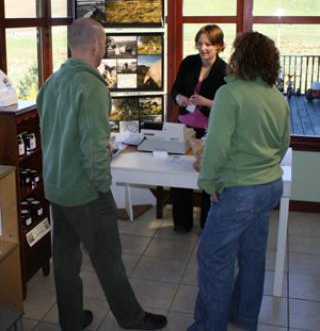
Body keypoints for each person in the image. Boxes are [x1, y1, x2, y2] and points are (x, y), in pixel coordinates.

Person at [37, 18, 167, 331]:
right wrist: (101, 188)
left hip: (56, 188)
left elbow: (52, 136)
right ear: (96, 46)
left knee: (66, 263)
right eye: (104, 43)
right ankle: (132, 319)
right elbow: (94, 148)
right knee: (108, 259)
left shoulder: (50, 83)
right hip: (85, 191)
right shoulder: (92, 87)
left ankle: (71, 321)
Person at [187, 31, 290, 331]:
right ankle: (244, 319)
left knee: (213, 259)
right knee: (252, 257)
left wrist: (208, 184)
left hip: (240, 191)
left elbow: (216, 147)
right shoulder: (277, 98)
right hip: (269, 187)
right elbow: (282, 145)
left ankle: (210, 326)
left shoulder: (230, 94)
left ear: (239, 58)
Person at [171, 24, 227, 232]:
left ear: (219, 46)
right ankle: (182, 223)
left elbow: (227, 106)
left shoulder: (225, 71)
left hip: (209, 132)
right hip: (185, 128)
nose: (203, 48)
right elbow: (175, 89)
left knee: (208, 174)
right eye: (200, 43)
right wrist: (179, 98)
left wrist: (206, 102)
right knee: (178, 173)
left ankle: (207, 223)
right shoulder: (188, 62)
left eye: (208, 44)